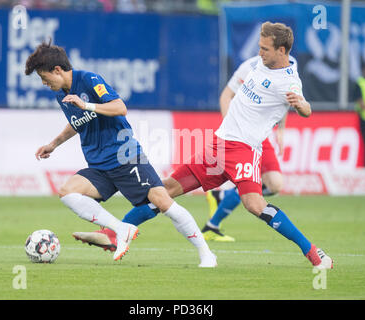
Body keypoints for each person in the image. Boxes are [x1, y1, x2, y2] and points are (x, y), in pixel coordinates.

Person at [74, 22, 333, 270]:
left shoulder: (289, 80)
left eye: (265, 49)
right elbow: (229, 93)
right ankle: (112, 233)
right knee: (163, 190)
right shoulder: (258, 64)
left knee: (254, 205)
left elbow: (306, 109)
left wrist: (301, 105)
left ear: (282, 51)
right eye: (259, 46)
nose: (259, 52)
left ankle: (312, 253)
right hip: (219, 146)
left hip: (244, 150)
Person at [26, 41, 217, 267]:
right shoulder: (62, 94)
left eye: (43, 76)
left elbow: (119, 107)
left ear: (57, 69)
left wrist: (87, 105)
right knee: (68, 192)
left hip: (124, 156)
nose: (44, 83)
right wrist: (54, 144)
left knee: (163, 201)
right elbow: (77, 123)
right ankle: (121, 228)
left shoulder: (89, 80)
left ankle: (206, 254)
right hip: (99, 164)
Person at [202, 54, 298, 242]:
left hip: (261, 135)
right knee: (253, 194)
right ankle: (212, 225)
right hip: (241, 135)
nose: (263, 51)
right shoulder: (249, 67)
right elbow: (225, 96)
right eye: (262, 47)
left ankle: (222, 196)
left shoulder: (290, 65)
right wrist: (232, 131)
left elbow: (285, 99)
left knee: (275, 185)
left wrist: (281, 130)